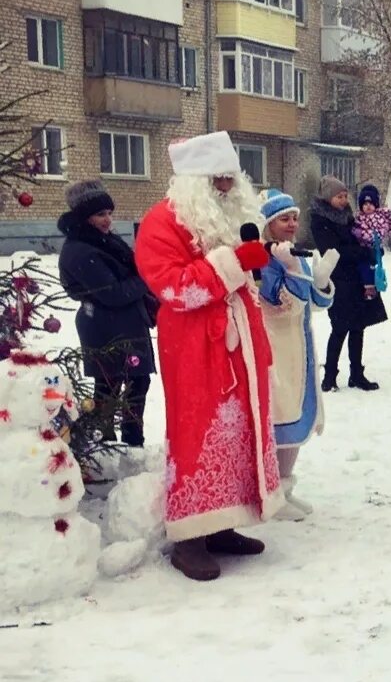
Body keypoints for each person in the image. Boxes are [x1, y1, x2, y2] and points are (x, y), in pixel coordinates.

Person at [134, 131, 283, 581]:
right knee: (199, 432)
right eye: (216, 179)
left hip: (237, 345)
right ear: (193, 181)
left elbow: (239, 277)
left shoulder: (226, 214)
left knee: (239, 433)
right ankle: (189, 537)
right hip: (196, 345)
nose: (225, 187)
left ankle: (224, 522)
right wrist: (234, 263)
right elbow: (173, 287)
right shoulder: (163, 221)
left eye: (229, 178)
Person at [257, 189, 340, 521]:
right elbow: (282, 305)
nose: (292, 224)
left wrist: (321, 281)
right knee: (283, 418)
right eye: (284, 219)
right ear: (268, 224)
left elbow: (318, 304)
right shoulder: (263, 259)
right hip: (278, 350)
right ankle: (273, 494)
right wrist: (291, 270)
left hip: (301, 348)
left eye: (294, 218)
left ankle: (285, 488)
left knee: (299, 417)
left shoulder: (297, 254)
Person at [56, 180, 156, 448]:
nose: (107, 219)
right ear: (84, 217)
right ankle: (105, 443)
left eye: (109, 213)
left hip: (126, 324)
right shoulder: (80, 250)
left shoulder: (102, 240)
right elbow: (113, 293)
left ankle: (133, 441)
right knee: (108, 387)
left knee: (137, 383)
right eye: (100, 214)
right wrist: (148, 278)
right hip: (104, 327)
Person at [309, 175, 387, 392]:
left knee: (358, 327)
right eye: (339, 196)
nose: (344, 200)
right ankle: (330, 376)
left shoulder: (347, 216)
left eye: (345, 196)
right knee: (340, 328)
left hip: (357, 279)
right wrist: (364, 252)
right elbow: (333, 251)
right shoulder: (319, 220)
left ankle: (356, 374)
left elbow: (360, 238)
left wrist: (373, 248)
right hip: (338, 280)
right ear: (327, 197)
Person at [352, 187, 391, 300]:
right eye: (365, 204)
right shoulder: (359, 217)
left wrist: (361, 234)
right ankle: (366, 286)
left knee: (370, 267)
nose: (368, 206)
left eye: (371, 203)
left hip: (373, 249)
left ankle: (370, 288)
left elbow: (378, 233)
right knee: (361, 267)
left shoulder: (379, 218)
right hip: (361, 249)